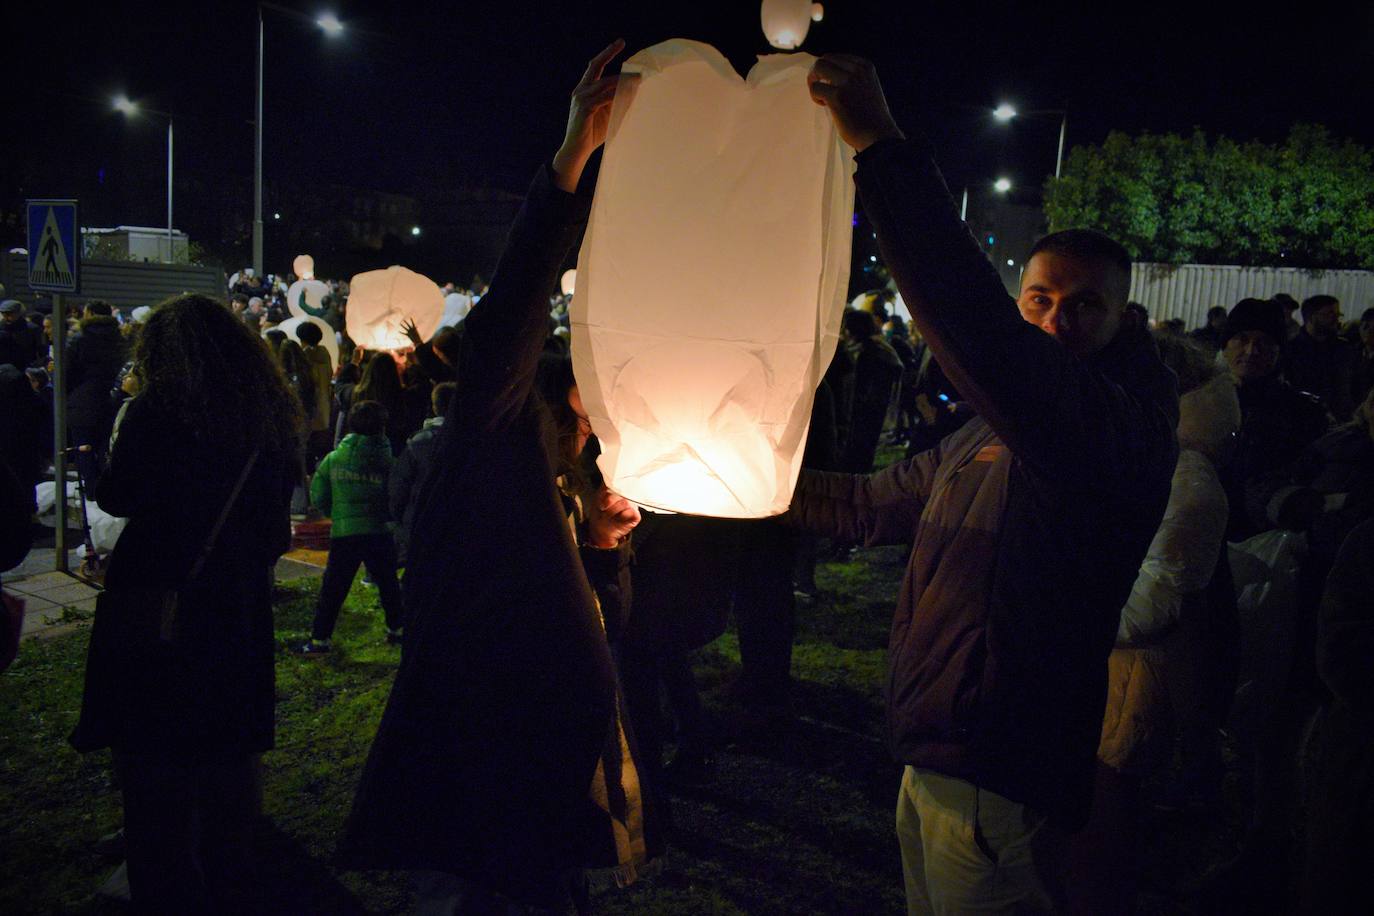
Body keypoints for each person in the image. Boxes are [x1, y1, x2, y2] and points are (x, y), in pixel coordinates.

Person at [790, 55, 1179, 914]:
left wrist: (882, 149)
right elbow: (872, 504)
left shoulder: (1107, 432)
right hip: (938, 752)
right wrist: (748, 481)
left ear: (1124, 318)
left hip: (1005, 769)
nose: (1054, 320)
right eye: (1038, 298)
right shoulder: (992, 430)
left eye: (1083, 306)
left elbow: (975, 326)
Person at [339, 41, 660, 913]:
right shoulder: (492, 437)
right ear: (542, 396)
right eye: (587, 409)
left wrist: (599, 545)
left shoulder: (556, 482)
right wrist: (568, 165)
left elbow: (596, 617)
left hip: (546, 759)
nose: (598, 427)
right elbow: (514, 310)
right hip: (487, 757)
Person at [68, 294, 301, 913]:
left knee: (152, 749)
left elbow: (118, 498)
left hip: (158, 600)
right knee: (227, 747)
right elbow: (277, 528)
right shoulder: (269, 414)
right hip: (236, 609)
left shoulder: (156, 412)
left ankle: (163, 881)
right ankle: (231, 871)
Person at [1067, 333, 1239, 913]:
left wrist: (1060, 614)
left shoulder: (1186, 481)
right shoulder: (1145, 457)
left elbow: (1154, 603)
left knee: (1106, 819)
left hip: (1134, 675)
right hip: (1109, 666)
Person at [297, 400, 404, 652]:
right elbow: (398, 494)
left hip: (345, 533)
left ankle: (320, 638)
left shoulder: (334, 459)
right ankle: (397, 628)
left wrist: (337, 514)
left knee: (333, 588)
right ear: (381, 427)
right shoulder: (388, 461)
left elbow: (319, 494)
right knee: (388, 583)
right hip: (379, 531)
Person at [1219, 298, 1329, 540]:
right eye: (1242, 339)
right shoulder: (1197, 403)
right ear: (1225, 344)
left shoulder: (1304, 413)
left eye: (1264, 342)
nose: (1251, 351)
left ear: (1279, 351)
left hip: (1266, 542)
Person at [389, 381, 456, 569]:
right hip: (456, 522)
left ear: (435, 407)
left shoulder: (419, 443)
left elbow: (399, 487)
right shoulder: (474, 441)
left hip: (419, 519)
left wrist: (399, 519)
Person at [1284, 294, 1357, 420]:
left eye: (1337, 314)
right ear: (1312, 317)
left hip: (1339, 422)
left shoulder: (1344, 349)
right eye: (1330, 314)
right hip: (1301, 419)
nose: (1337, 319)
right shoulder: (1291, 350)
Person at [295, 321, 335, 469]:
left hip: (309, 406)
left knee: (307, 444)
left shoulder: (304, 356)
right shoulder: (324, 353)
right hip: (324, 404)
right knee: (317, 441)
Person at [0, 299, 41, 369]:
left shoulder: (32, 329)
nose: (6, 318)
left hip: (24, 366)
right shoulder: (1, 328)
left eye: (9, 314)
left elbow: (40, 349)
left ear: (18, 313)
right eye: (4, 314)